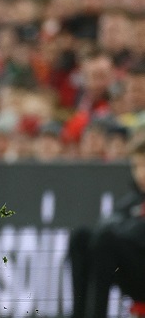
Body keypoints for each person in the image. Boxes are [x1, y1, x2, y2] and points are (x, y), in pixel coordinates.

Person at [68, 129, 145, 318]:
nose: (140, 173)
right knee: (81, 237)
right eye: (136, 166)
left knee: (107, 240)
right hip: (134, 275)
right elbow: (108, 225)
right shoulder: (132, 201)